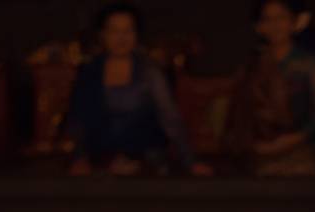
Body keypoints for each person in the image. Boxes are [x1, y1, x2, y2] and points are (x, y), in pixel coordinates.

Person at [65, 3, 208, 176]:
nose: (121, 38)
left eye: (128, 31)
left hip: (145, 159)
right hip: (101, 160)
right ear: (102, 35)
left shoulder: (150, 72)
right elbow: (79, 119)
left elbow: (170, 119)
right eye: (114, 31)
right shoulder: (90, 72)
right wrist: (80, 158)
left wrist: (191, 162)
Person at [223, 0, 315, 176]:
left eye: (281, 18)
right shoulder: (252, 65)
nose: (275, 25)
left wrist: (292, 139)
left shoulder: (308, 64)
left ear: (294, 22)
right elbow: (240, 112)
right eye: (268, 19)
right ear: (259, 26)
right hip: (259, 150)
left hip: (301, 148)